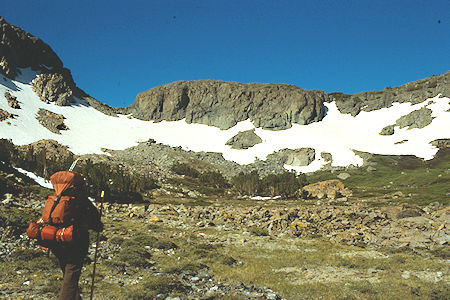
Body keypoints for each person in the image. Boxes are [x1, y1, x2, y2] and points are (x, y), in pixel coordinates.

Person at [46, 172, 103, 300]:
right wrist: (98, 226)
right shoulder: (81, 200)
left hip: (56, 241)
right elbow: (95, 221)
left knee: (68, 275)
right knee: (71, 275)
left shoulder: (56, 198)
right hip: (75, 241)